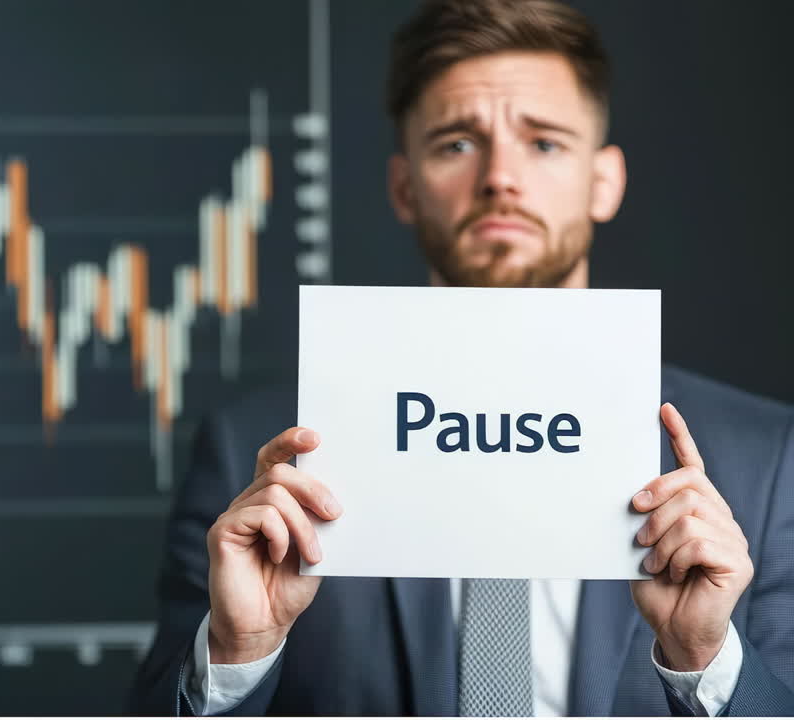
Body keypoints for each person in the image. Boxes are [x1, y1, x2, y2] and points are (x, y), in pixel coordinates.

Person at [127, 0, 794, 715]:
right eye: (455, 144)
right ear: (404, 187)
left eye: (544, 143)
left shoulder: (764, 461)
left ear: (606, 181)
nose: (500, 177)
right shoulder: (252, 454)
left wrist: (706, 660)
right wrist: (237, 654)